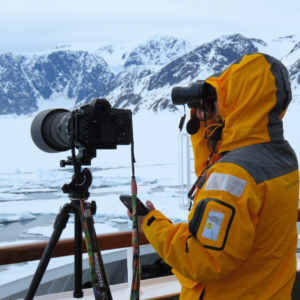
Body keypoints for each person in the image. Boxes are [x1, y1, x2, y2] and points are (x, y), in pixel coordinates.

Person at [128, 53, 299, 299]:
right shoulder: (282, 156)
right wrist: (209, 134)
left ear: (241, 102)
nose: (203, 112)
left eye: (218, 101)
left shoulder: (232, 175)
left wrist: (151, 224)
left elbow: (203, 260)